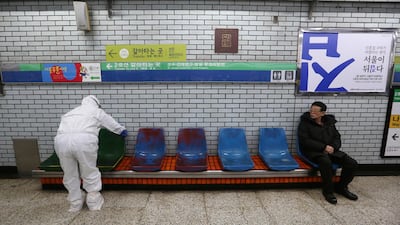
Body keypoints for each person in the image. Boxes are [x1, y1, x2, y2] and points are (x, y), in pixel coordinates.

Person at [54, 95, 128, 212]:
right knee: (89, 169)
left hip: (61, 141)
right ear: (96, 104)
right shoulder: (96, 111)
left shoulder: (70, 112)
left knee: (69, 173)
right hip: (84, 140)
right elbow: (110, 122)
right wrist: (121, 130)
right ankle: (93, 201)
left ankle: (75, 203)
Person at [298, 101, 358, 204]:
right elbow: (305, 140)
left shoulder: (329, 123)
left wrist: (333, 147)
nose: (312, 113)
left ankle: (341, 187)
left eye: (315, 112)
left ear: (323, 113)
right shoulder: (305, 123)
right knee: (325, 162)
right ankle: (328, 191)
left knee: (351, 163)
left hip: (331, 151)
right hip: (314, 151)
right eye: (311, 111)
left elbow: (337, 137)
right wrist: (323, 147)